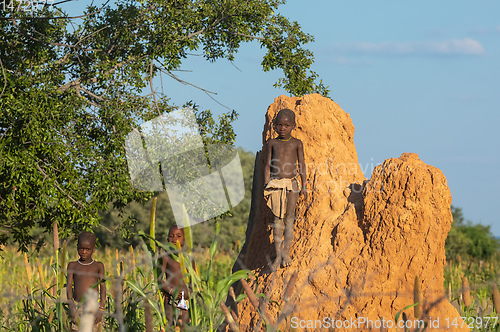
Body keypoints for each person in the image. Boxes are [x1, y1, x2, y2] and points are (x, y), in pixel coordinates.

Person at [264, 108, 307, 268]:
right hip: (275, 184)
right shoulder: (272, 143)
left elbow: (301, 164)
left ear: (293, 126)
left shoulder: (297, 143)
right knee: (277, 221)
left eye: (287, 125)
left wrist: (304, 184)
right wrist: (266, 186)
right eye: (280, 125)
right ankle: (277, 255)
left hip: (292, 184)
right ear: (274, 126)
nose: (283, 128)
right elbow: (268, 165)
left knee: (289, 219)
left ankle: (286, 252)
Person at [67, 231, 106, 332]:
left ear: (93, 249)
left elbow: (103, 288)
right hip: (77, 307)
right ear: (77, 247)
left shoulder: (98, 266)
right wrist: (71, 308)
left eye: (87, 249)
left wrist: (101, 309)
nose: (84, 252)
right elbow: (69, 287)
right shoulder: (72, 265)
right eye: (81, 248)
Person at [161, 225, 190, 328]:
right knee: (169, 325)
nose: (175, 239)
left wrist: (187, 293)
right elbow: (158, 279)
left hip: (185, 299)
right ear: (167, 239)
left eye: (178, 236)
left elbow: (194, 280)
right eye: (171, 236)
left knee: (184, 326)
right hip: (170, 298)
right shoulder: (165, 257)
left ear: (184, 240)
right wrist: (171, 291)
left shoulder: (188, 258)